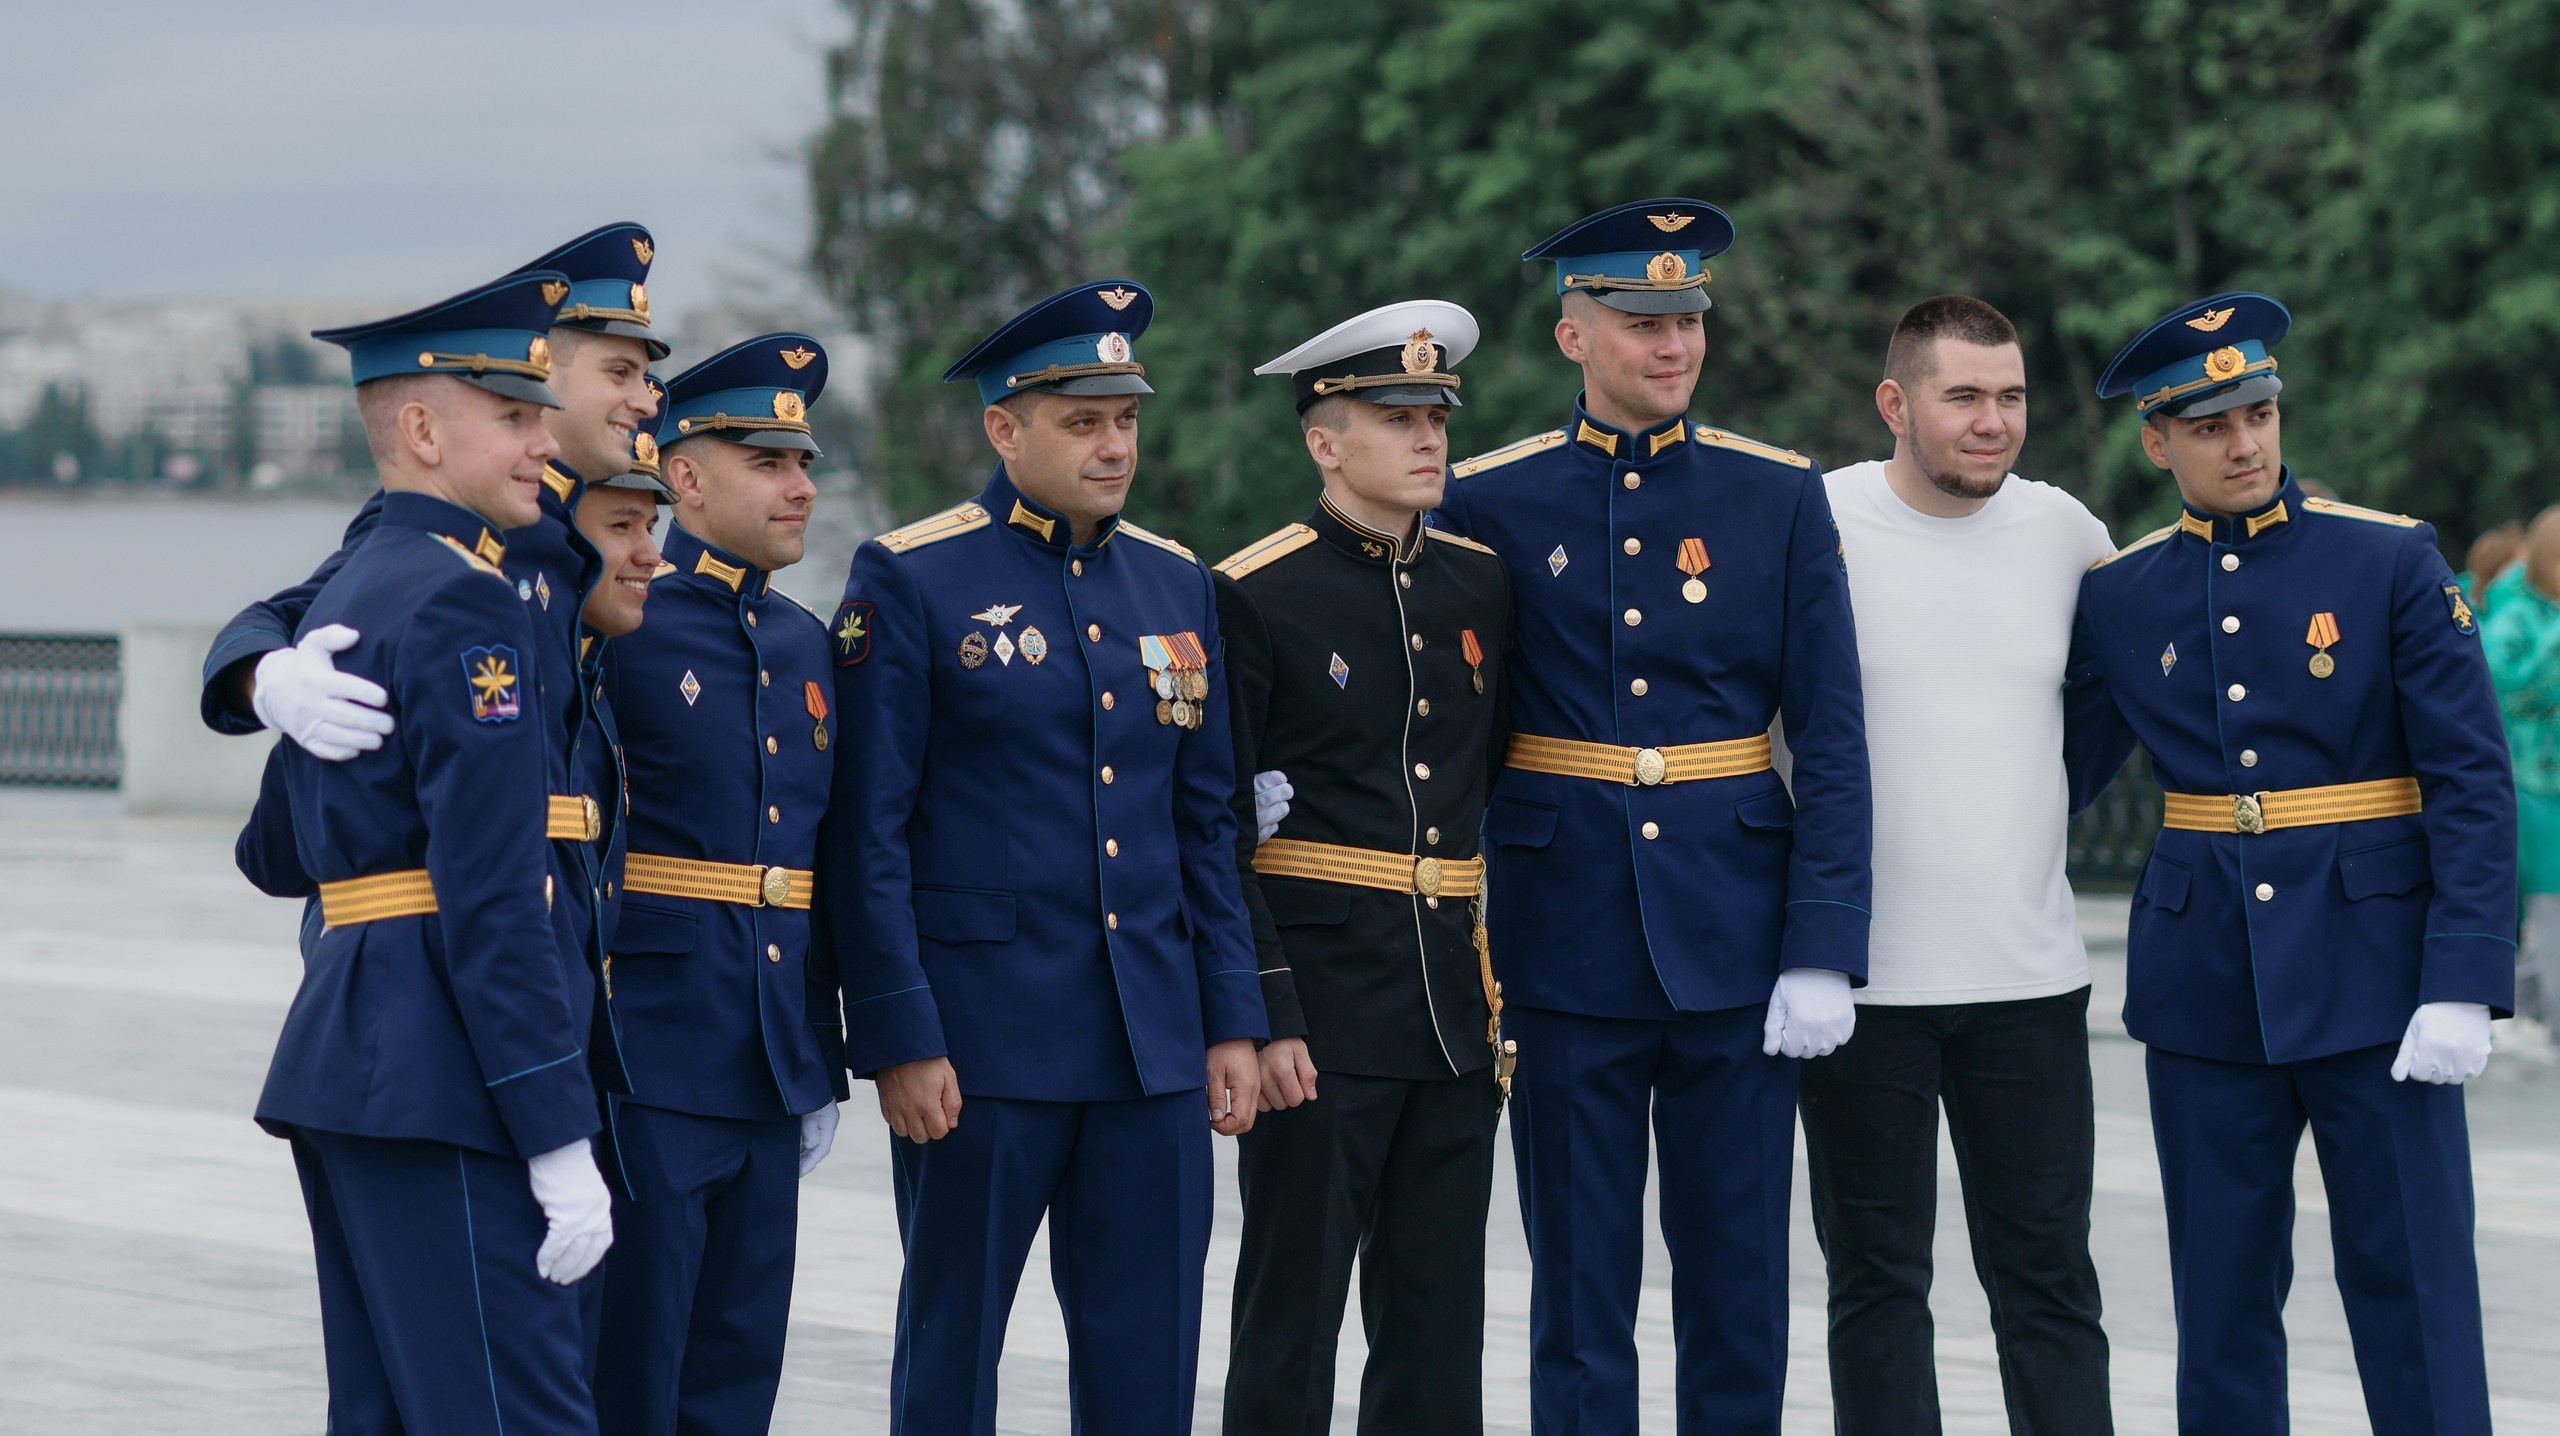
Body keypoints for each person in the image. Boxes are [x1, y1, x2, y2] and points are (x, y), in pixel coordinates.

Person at [1429, 198, 1871, 1434]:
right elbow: (1447, 716)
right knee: (1579, 1291)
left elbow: (1832, 732)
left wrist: (1824, 943)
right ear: (1572, 333)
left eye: (1686, 319)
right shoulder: (1489, 498)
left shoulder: (1776, 493)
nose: (1672, 344)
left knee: (1740, 1282)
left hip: (1737, 938)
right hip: (1562, 939)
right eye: (1639, 322)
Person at [819, 280, 1266, 1434]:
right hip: (982, 1044)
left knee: (1148, 1363)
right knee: (952, 1350)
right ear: (1003, 429)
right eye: (1082, 422)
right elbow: (867, 830)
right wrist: (900, 1032)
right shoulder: (912, 577)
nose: (1114, 445)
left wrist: (1230, 1015)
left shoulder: (1176, 581)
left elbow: (1205, 824)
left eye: (1125, 419)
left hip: (1149, 1043)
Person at [2069, 290, 2515, 1435]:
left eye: (2258, 413)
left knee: (2414, 1288)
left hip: (2379, 974)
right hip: (2204, 984)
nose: (2244, 443)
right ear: (2156, 442)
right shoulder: (2120, 594)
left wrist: (2463, 975)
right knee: (2219, 1300)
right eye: (2209, 426)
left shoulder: (2388, 558)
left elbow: (2470, 778)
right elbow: (2051, 774)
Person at [253, 269, 613, 1435]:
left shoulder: (350, 594)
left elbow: (272, 847)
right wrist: (555, 1135)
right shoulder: (468, 602)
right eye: (512, 416)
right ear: (420, 430)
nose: (543, 440)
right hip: (452, 1076)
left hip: (353, 1050)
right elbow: (495, 899)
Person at [1794, 295, 2115, 1434]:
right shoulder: (1815, 519)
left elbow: (2109, 704)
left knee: (2049, 1281)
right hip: (1862, 981)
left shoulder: (2066, 532)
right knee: (1877, 1283)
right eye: (1964, 396)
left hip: (2030, 979)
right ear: (1895, 402)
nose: (1994, 421)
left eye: (2012, 396)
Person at [1214, 301, 1512, 1435]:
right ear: (1323, 442)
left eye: (1436, 417)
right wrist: (1266, 1011)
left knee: (1438, 1324)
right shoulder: (1255, 592)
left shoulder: (1479, 583)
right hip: (1322, 1015)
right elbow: (1220, 832)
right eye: (1396, 418)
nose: (1429, 438)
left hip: (1450, 1009)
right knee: (1292, 1314)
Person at [590, 335, 850, 1435]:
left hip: (771, 1056)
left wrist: (822, 1051)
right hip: (651, 1049)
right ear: (685, 477)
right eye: (768, 463)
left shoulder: (806, 642)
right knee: (634, 1368)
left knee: (739, 1372)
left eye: (804, 463)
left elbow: (825, 858)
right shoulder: (622, 618)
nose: (802, 487)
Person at [2482, 505, 2560, 1028]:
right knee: (2550, 900)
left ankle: (2530, 1009)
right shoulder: (2514, 617)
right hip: (2531, 781)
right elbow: (2504, 689)